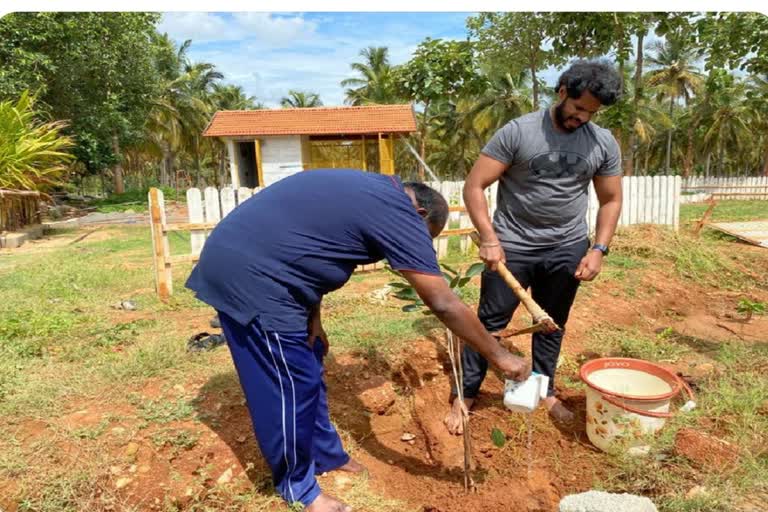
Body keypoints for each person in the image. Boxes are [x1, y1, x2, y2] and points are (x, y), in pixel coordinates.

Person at [186, 169, 531, 512]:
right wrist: (499, 356)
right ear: (420, 214)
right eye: (422, 239)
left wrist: (314, 317)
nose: (411, 252)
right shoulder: (397, 210)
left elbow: (311, 248)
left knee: (310, 357)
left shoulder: (375, 194)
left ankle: (326, 454)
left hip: (267, 268)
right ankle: (299, 489)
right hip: (252, 277)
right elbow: (442, 301)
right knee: (289, 382)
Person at [444, 59, 624, 435]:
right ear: (562, 93)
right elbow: (474, 186)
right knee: (488, 324)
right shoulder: (519, 132)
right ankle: (465, 394)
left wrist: (598, 250)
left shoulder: (602, 142)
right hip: (512, 246)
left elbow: (610, 200)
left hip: (567, 246)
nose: (582, 118)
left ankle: (546, 390)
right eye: (577, 108)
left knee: (550, 325)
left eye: (591, 112)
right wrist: (490, 239)